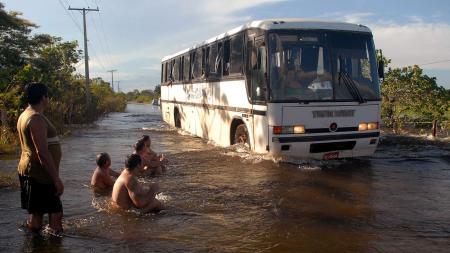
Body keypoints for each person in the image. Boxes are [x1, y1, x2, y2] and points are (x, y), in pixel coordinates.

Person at [16, 82, 64, 235]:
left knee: (37, 212)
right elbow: (42, 153)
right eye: (47, 96)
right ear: (44, 97)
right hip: (40, 174)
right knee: (55, 215)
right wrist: (56, 179)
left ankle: (35, 243)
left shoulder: (25, 114)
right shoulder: (36, 119)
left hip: (31, 171)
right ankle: (52, 246)